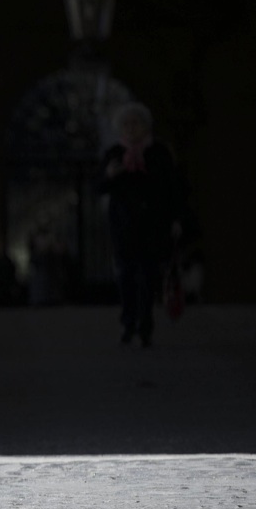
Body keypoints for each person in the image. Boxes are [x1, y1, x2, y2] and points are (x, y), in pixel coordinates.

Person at [98, 101, 181, 347]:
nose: (131, 128)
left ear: (146, 126)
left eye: (136, 123)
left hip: (152, 226)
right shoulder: (114, 153)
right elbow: (99, 187)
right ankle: (128, 322)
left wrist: (176, 219)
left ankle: (145, 326)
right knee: (125, 276)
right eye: (126, 124)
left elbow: (172, 188)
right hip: (123, 226)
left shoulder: (159, 152)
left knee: (147, 277)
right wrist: (110, 176)